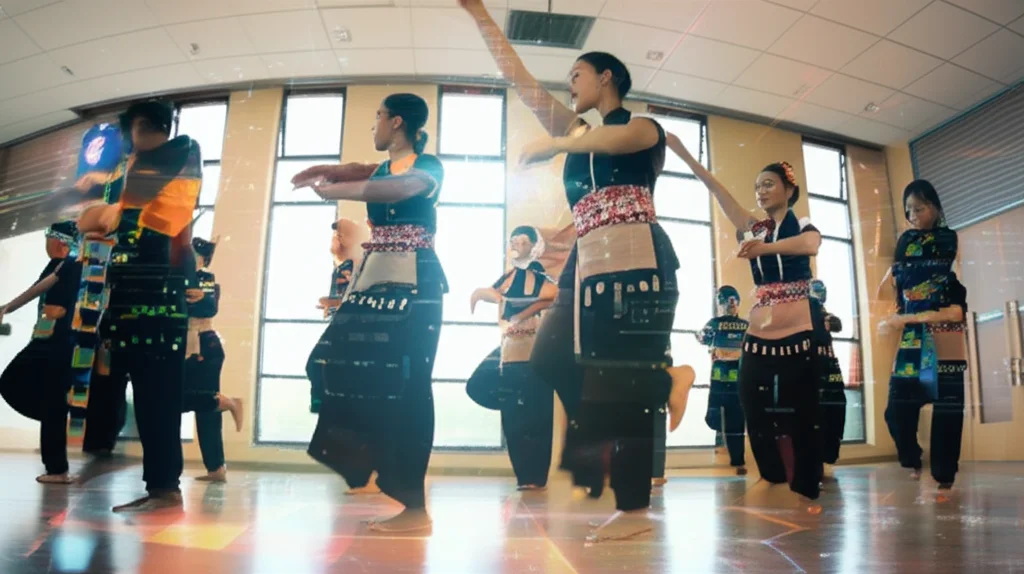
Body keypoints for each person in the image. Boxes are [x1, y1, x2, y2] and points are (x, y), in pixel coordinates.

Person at [462, 0, 695, 543]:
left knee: (625, 384)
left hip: (639, 259)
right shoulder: (577, 130)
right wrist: (481, 18)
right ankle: (665, 381)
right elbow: (521, 83)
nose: (569, 86)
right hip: (586, 266)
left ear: (606, 77)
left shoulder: (642, 128)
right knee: (548, 357)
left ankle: (634, 513)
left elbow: (612, 140)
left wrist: (559, 143)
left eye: (577, 75)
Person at [294, 93, 445, 533]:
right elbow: (374, 172)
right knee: (324, 362)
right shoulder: (385, 166)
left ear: (397, 122)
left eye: (377, 116)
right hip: (372, 281)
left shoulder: (429, 166)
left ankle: (414, 507)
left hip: (417, 285)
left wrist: (337, 187)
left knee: (413, 386)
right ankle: (365, 460)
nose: (374, 124)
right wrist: (335, 171)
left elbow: (396, 186)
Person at [667, 134, 824, 508]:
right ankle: (769, 471)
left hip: (799, 328)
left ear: (789, 189)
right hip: (759, 331)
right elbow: (719, 193)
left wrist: (762, 249)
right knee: (749, 401)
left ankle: (806, 481)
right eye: (757, 187)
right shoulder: (755, 228)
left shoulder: (799, 223)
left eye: (768, 184)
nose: (761, 191)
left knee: (803, 408)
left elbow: (810, 245)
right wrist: (685, 154)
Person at [76, 100, 202, 512]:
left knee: (158, 399)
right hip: (131, 298)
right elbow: (90, 221)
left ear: (144, 127)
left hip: (158, 301)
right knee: (147, 399)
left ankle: (165, 489)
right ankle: (160, 488)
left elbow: (107, 218)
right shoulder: (143, 172)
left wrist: (107, 207)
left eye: (130, 137)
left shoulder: (180, 153)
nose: (128, 149)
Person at [879, 180, 967, 491]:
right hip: (912, 344)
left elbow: (955, 311)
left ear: (936, 207)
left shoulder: (949, 247)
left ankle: (944, 477)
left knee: (947, 415)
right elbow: (892, 288)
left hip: (946, 344)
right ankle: (912, 457)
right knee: (896, 413)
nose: (913, 214)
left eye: (920, 207)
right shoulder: (905, 245)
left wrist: (907, 315)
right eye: (909, 210)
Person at [467, 225, 558, 491]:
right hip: (509, 353)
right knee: (513, 416)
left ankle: (535, 476)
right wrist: (484, 296)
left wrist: (517, 311)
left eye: (522, 241)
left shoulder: (540, 277)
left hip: (536, 355)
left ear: (534, 246)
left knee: (538, 416)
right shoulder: (507, 277)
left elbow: (552, 296)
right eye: (512, 241)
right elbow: (493, 295)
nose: (515, 245)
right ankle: (524, 475)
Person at [0, 222, 83, 484]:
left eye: (48, 238)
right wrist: (8, 308)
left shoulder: (69, 265)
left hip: (52, 343)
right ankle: (56, 461)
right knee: (51, 402)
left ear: (60, 242)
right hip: (56, 342)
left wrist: (41, 328)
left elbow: (54, 308)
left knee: (12, 382)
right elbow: (37, 290)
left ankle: (57, 464)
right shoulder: (65, 265)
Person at [307, 217, 380, 495]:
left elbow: (360, 300)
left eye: (338, 236)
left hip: (353, 340)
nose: (334, 242)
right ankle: (363, 474)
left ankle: (369, 474)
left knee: (317, 366)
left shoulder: (356, 266)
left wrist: (334, 304)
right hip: (344, 335)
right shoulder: (344, 267)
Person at [181, 237, 242, 483]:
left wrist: (197, 298)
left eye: (194, 255)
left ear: (203, 259)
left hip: (205, 345)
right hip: (193, 345)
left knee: (201, 408)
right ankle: (216, 468)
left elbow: (207, 308)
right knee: (199, 406)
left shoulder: (205, 279)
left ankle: (226, 402)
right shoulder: (186, 278)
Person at [696, 285, 749, 476]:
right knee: (727, 418)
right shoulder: (721, 323)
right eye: (727, 301)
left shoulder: (721, 323)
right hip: (728, 378)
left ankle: (736, 457)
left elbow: (702, 338)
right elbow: (703, 338)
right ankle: (733, 454)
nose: (730, 305)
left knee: (729, 418)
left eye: (732, 301)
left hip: (727, 378)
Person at [809, 279, 847, 480]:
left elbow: (836, 324)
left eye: (821, 291)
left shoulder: (824, 314)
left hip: (830, 363)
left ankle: (829, 454)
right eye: (815, 291)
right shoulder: (803, 315)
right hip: (811, 364)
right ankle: (816, 457)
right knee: (816, 410)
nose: (819, 294)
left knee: (836, 405)